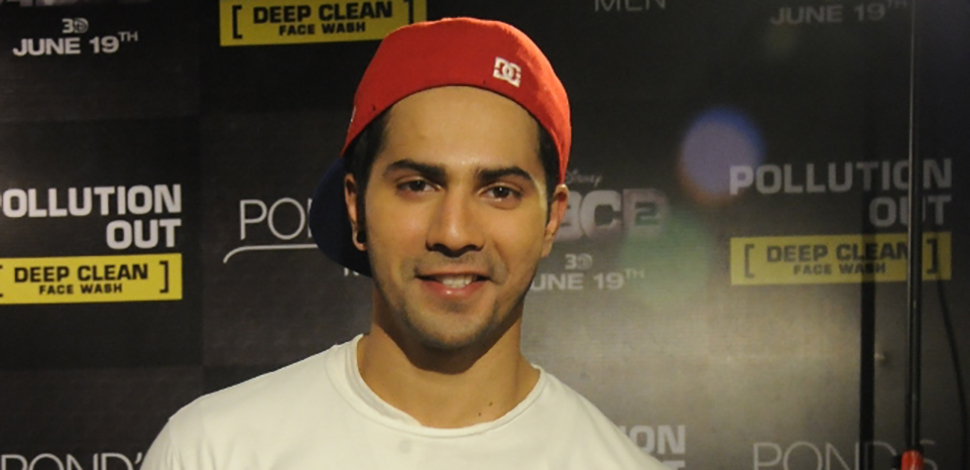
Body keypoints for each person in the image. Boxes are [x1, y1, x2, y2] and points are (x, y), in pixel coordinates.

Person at [142, 17, 667, 469]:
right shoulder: (214, 451)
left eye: (500, 191)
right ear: (356, 206)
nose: (454, 233)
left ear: (552, 219)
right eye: (418, 185)